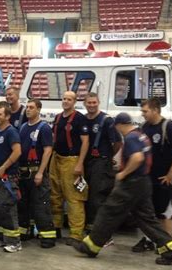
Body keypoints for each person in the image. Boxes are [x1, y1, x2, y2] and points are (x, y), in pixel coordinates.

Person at [73, 113, 172, 265]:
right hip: (143, 182)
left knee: (108, 212)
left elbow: (137, 158)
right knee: (147, 219)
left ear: (119, 125)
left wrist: (123, 173)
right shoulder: (140, 135)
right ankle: (171, 249)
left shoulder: (130, 138)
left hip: (131, 183)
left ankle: (91, 246)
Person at [132, 98, 172, 252]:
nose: (143, 114)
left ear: (155, 110)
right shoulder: (145, 127)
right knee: (149, 212)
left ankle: (168, 247)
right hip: (148, 178)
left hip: (165, 178)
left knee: (166, 212)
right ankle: (148, 240)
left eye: (145, 111)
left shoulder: (170, 127)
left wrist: (171, 174)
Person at [49, 91, 89, 244]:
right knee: (55, 195)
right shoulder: (58, 118)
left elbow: (85, 142)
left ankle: (76, 233)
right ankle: (56, 226)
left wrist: (80, 164)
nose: (66, 101)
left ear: (75, 101)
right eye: (64, 99)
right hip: (56, 158)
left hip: (72, 160)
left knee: (74, 198)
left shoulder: (80, 119)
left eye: (69, 99)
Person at [18, 99, 56, 248]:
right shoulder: (22, 128)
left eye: (31, 107)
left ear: (39, 109)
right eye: (27, 107)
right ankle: (24, 231)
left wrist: (41, 172)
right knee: (23, 205)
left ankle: (47, 237)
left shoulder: (44, 128)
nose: (28, 110)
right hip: (23, 174)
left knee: (41, 206)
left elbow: (48, 151)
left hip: (36, 173)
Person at [83, 93, 122, 232]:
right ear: (84, 104)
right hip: (85, 162)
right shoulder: (83, 119)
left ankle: (100, 231)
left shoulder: (106, 120)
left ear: (98, 102)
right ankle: (88, 226)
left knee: (97, 197)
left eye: (94, 102)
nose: (91, 105)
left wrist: (109, 155)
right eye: (89, 103)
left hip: (101, 162)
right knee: (84, 194)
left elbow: (118, 142)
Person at [0, 102, 22, 253]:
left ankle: (15, 242)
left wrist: (3, 167)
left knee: (7, 208)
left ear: (7, 116)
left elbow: (17, 152)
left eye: (0, 114)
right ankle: (2, 237)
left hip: (8, 177)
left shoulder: (11, 132)